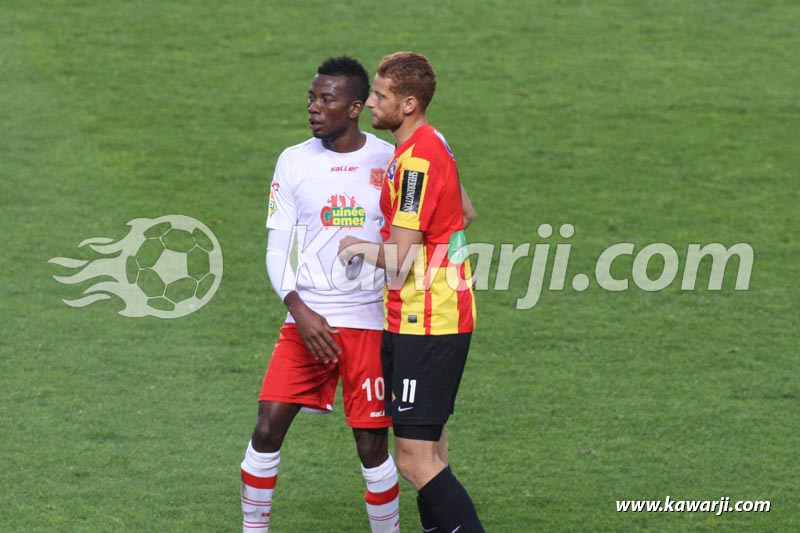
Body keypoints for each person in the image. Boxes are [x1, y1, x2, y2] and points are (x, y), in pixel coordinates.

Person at [240, 56, 400, 533]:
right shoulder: (293, 161)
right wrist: (298, 308)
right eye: (311, 98)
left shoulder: (389, 161)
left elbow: (408, 239)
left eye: (326, 99)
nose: (313, 108)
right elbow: (276, 245)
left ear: (354, 108)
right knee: (267, 427)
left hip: (369, 322)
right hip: (306, 317)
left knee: (371, 446)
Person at [339, 51, 484, 532]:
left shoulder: (416, 162)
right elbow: (463, 213)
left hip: (426, 320)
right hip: (438, 312)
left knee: (415, 459)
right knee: (432, 450)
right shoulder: (431, 141)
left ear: (408, 104)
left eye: (379, 96)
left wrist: (357, 246)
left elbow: (400, 256)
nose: (370, 102)